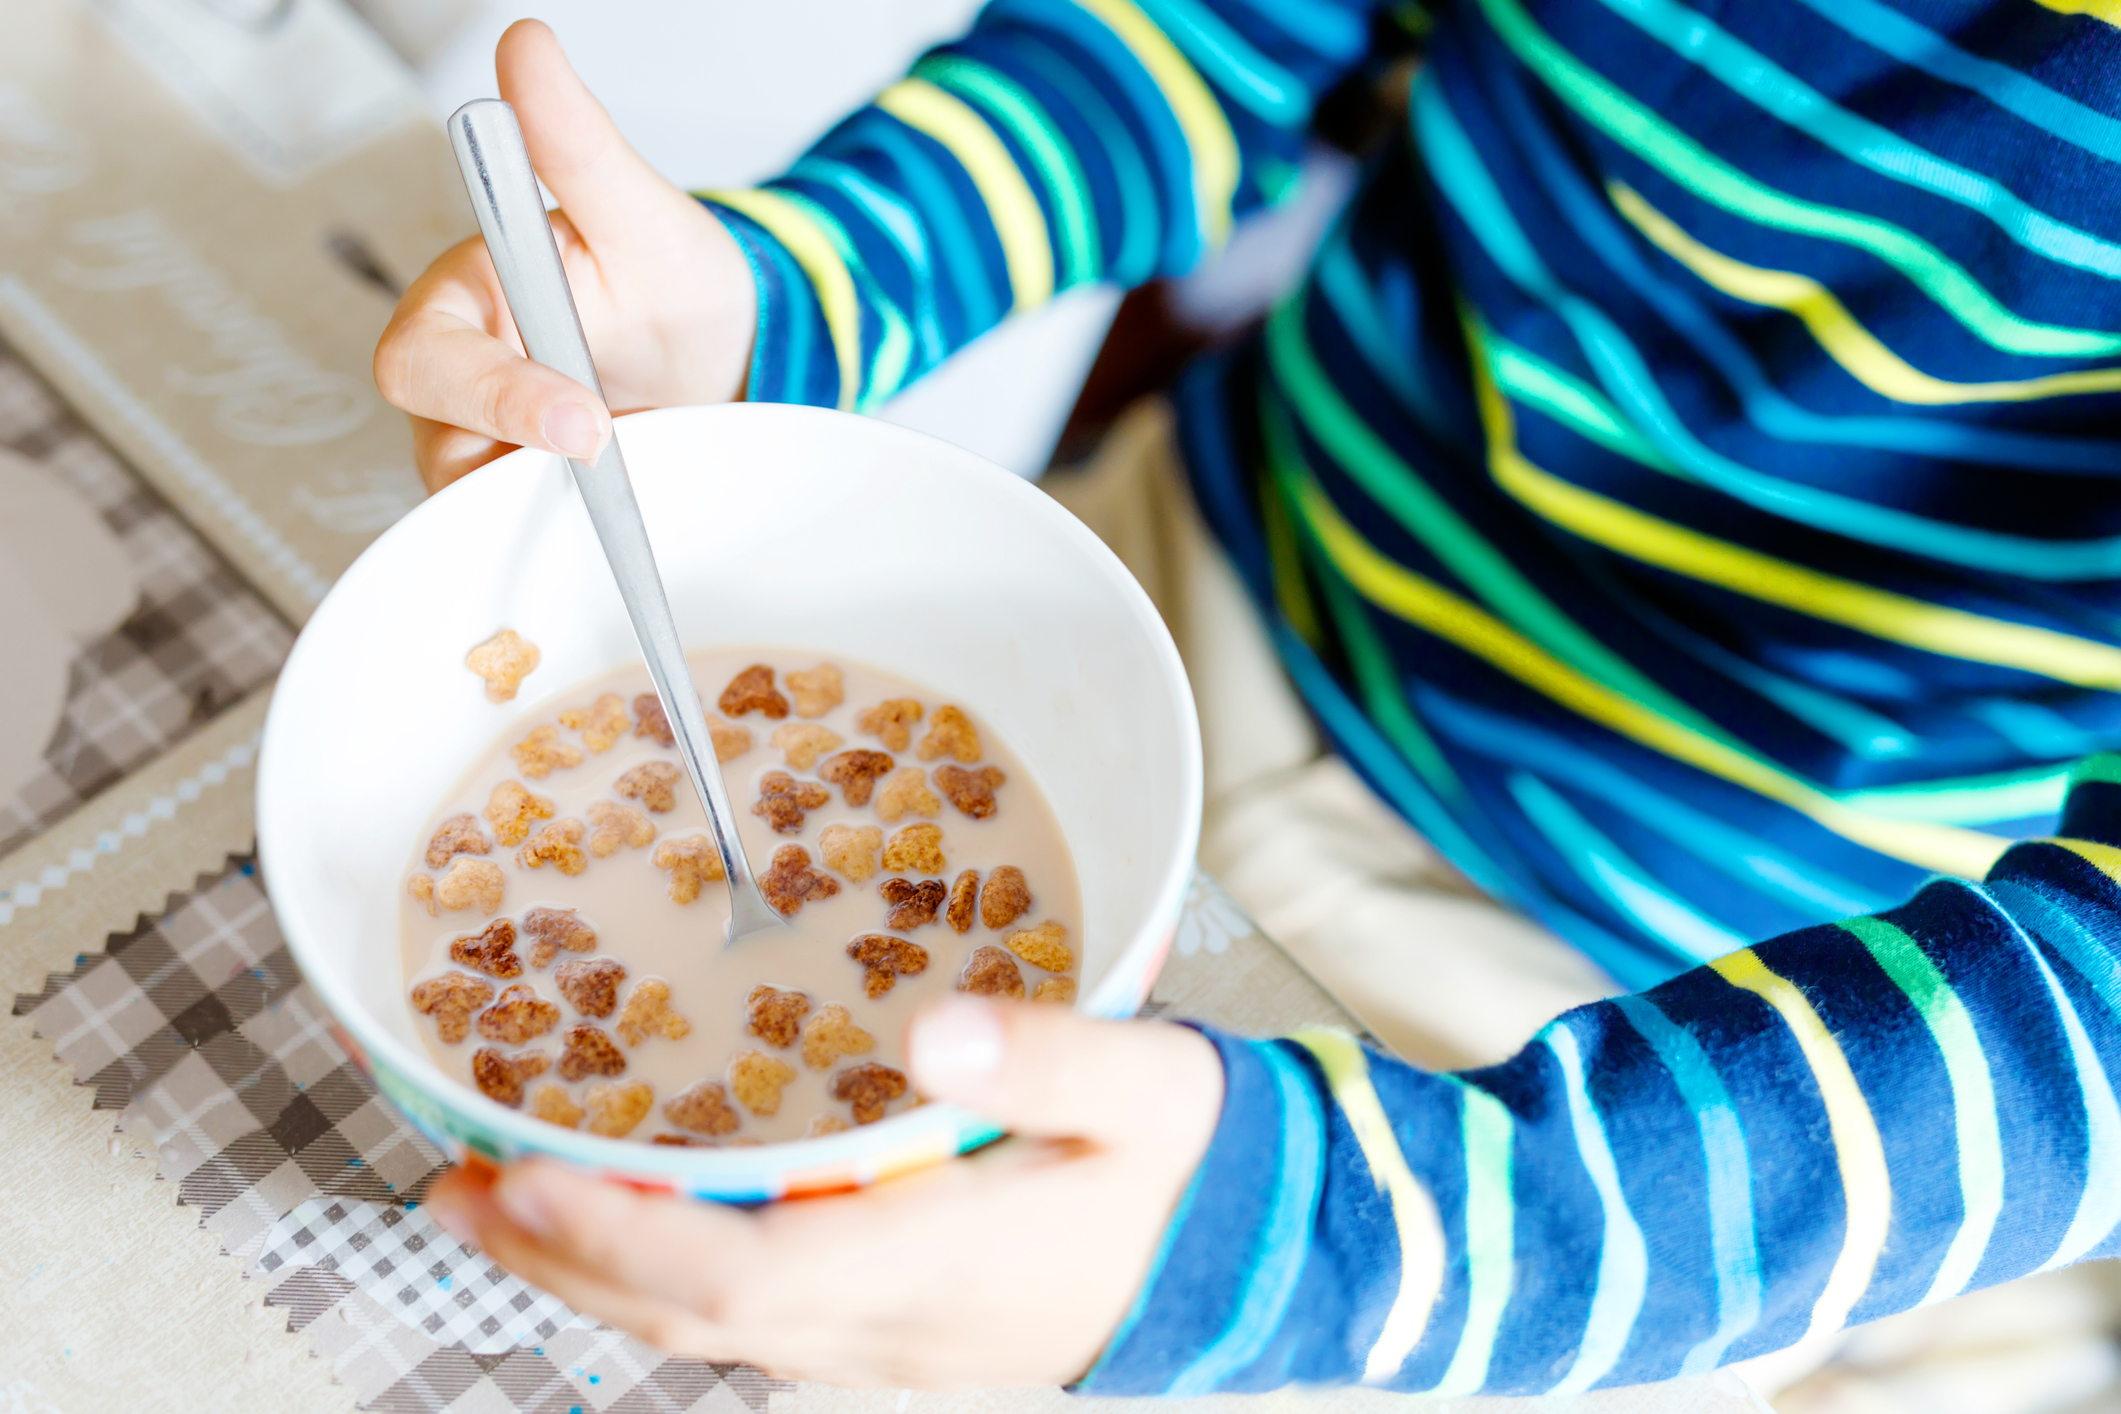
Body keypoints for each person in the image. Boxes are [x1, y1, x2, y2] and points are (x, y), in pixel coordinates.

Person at [385, 4, 2121, 1395]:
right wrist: (798, 287)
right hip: (1172, 569)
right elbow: (1220, 33)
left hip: (1666, 982)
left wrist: (1321, 1247)